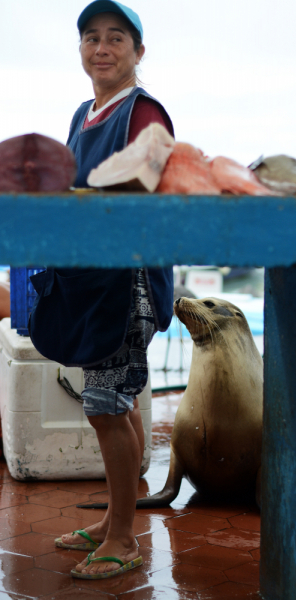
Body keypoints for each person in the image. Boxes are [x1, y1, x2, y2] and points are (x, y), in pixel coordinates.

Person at [29, 0, 174, 580]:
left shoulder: (146, 112)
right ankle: (118, 514)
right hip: (88, 281)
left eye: (117, 38)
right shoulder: (82, 113)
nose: (103, 47)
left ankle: (122, 536)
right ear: (82, 49)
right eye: (92, 37)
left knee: (107, 410)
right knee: (113, 405)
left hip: (125, 284)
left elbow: (151, 182)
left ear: (139, 52)